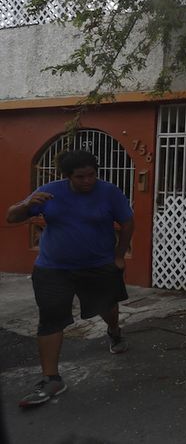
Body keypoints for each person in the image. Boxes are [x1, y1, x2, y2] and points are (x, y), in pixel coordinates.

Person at [6, 150, 135, 408]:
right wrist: (27, 205)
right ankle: (51, 378)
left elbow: (127, 222)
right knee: (51, 320)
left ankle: (114, 331)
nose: (88, 181)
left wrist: (120, 255)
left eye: (91, 175)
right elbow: (12, 217)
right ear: (67, 177)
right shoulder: (49, 191)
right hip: (53, 268)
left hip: (98, 265)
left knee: (106, 308)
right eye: (80, 177)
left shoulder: (109, 192)